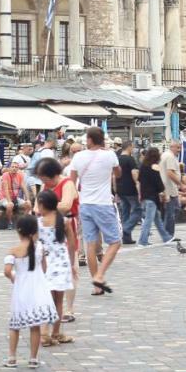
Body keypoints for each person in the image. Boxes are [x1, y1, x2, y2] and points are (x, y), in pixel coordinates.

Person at [69, 127, 122, 295]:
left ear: (90, 140)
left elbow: (72, 181)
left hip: (85, 204)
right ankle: (99, 275)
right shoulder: (110, 155)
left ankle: (96, 286)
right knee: (115, 241)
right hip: (103, 204)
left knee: (90, 244)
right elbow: (118, 173)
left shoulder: (78, 157)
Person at [2, 214, 57, 369]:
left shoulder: (13, 251)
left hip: (21, 289)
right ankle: (33, 358)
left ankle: (12, 357)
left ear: (19, 231)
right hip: (38, 289)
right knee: (35, 326)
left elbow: (7, 271)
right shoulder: (40, 248)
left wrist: (14, 278)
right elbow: (44, 268)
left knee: (15, 325)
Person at [35, 186, 75, 347]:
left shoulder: (38, 223)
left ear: (43, 205)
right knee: (58, 300)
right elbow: (71, 245)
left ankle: (44, 333)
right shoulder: (64, 221)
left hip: (44, 265)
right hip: (61, 263)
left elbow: (34, 244)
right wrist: (71, 264)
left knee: (45, 300)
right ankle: (56, 332)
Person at [42, 157, 80, 322]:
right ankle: (51, 307)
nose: (43, 182)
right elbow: (38, 205)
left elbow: (66, 205)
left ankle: (69, 309)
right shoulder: (46, 186)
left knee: (71, 266)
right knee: (48, 267)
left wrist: (48, 206)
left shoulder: (67, 183)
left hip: (67, 223)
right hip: (48, 227)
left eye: (43, 178)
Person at [137, 147, 174, 247]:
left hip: (145, 196)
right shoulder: (155, 167)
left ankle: (166, 237)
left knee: (157, 219)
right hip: (152, 197)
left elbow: (139, 181)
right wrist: (165, 194)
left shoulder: (143, 167)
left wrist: (140, 195)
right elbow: (159, 184)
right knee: (149, 220)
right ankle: (142, 240)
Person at [115, 141, 141, 244]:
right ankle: (126, 228)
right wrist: (138, 186)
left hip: (120, 189)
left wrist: (115, 190)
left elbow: (113, 175)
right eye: (132, 147)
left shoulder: (117, 159)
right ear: (129, 147)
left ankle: (126, 238)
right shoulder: (130, 159)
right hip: (130, 189)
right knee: (138, 210)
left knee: (125, 212)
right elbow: (134, 173)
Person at [158, 140, 183, 238]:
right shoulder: (170, 156)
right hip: (169, 188)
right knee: (172, 211)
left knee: (173, 210)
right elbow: (170, 173)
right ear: (172, 147)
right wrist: (180, 184)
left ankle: (166, 233)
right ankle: (168, 234)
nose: (179, 150)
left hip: (169, 188)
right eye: (178, 148)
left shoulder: (165, 155)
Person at [0, 159, 30, 226]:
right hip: (4, 197)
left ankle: (22, 222)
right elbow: (6, 190)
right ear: (9, 168)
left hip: (15, 198)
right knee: (10, 205)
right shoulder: (5, 175)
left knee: (28, 205)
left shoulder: (20, 175)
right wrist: (9, 201)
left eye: (16, 167)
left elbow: (24, 188)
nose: (14, 168)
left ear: (18, 169)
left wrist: (28, 199)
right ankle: (9, 222)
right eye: (12, 167)